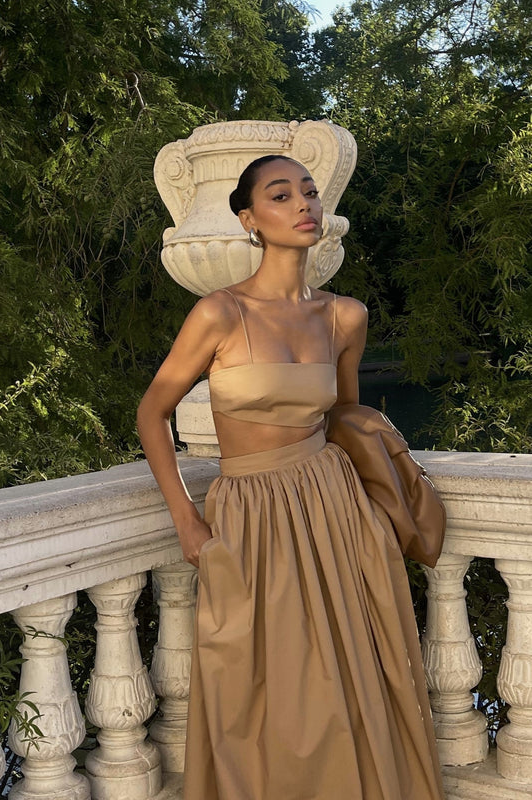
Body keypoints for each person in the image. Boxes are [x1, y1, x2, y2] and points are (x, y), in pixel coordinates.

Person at [137, 155, 445, 799]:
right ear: (250, 220)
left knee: (355, 678)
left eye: (309, 191)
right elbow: (153, 411)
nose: (304, 204)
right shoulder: (220, 313)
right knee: (252, 685)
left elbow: (346, 417)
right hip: (248, 513)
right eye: (281, 195)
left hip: (335, 510)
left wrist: (369, 513)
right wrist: (186, 519)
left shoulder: (344, 317)